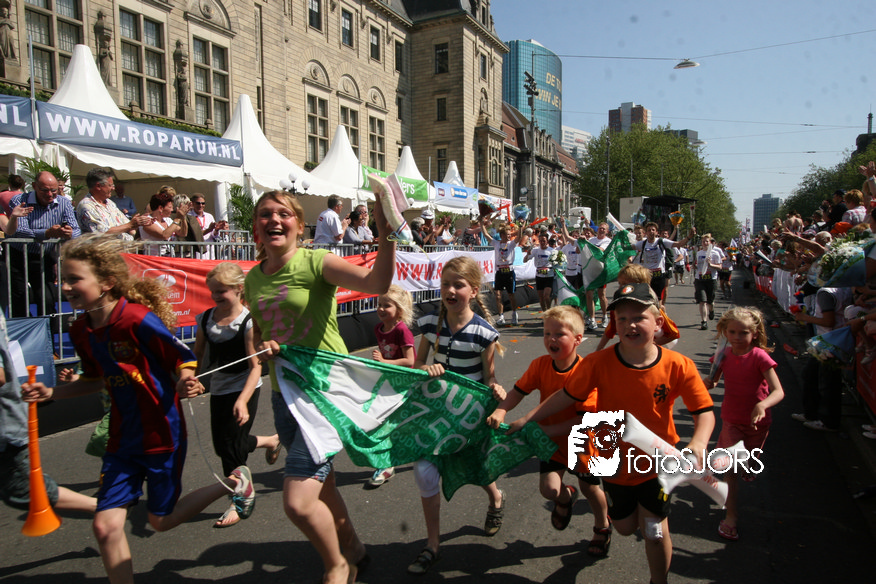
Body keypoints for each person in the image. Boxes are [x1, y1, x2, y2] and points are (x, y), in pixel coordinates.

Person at [21, 234, 256, 584]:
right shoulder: (81, 330)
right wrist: (51, 392)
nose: (65, 287)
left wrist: (186, 379)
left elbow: (183, 356)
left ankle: (233, 482)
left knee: (161, 520)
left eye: (74, 279)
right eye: (62, 279)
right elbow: (94, 380)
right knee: (105, 526)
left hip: (161, 434)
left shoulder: (135, 318)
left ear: (106, 282)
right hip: (121, 440)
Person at [508, 283, 715, 584]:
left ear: (658, 322)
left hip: (657, 464)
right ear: (614, 325)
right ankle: (620, 520)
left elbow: (704, 410)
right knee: (625, 527)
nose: (630, 325)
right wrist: (526, 419)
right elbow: (566, 395)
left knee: (655, 531)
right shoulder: (597, 363)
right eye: (622, 319)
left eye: (639, 317)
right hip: (613, 463)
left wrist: (698, 442)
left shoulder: (679, 365)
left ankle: (658, 580)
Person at [244, 190, 395, 584]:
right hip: (284, 398)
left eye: (283, 214)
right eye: (265, 214)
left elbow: (377, 282)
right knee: (323, 487)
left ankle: (338, 566)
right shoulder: (253, 278)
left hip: (323, 396)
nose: (274, 220)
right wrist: (263, 345)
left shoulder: (317, 262)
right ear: (256, 227)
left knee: (297, 501)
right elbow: (259, 331)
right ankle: (355, 550)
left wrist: (387, 234)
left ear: (299, 224)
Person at [409, 255, 507, 575]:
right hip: (435, 414)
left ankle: (495, 499)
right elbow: (417, 365)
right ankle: (433, 545)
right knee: (425, 473)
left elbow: (489, 378)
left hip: (468, 417)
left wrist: (496, 389)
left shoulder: (484, 333)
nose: (450, 290)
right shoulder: (429, 324)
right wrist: (426, 369)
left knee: (477, 467)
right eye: (445, 284)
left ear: (474, 291)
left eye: (458, 285)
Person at [487, 306, 611, 554]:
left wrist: (544, 430)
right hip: (552, 443)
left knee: (590, 488)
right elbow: (518, 392)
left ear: (578, 339)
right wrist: (501, 411)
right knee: (549, 490)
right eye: (546, 334)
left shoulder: (586, 372)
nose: (551, 339)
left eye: (559, 334)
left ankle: (602, 525)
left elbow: (583, 421)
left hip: (583, 443)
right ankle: (566, 498)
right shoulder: (540, 365)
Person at [194, 262, 282, 528]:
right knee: (223, 444)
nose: (216, 296)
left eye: (222, 291)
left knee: (232, 447)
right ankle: (270, 441)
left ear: (238, 289)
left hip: (245, 386)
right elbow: (198, 354)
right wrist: (191, 378)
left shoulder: (247, 322)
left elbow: (256, 367)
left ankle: (240, 496)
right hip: (220, 386)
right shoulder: (206, 318)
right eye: (213, 291)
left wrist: (243, 400)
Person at [1, 311, 97, 515]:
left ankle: (107, 505)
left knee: (23, 488)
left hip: (134, 418)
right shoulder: (82, 332)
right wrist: (61, 387)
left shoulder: (131, 324)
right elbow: (94, 379)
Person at [704, 307, 784, 541]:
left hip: (757, 423)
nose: (737, 337)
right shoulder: (723, 354)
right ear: (725, 332)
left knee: (747, 460)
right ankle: (731, 517)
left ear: (755, 333)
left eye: (744, 333)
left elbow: (778, 391)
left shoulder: (759, 357)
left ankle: (749, 463)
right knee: (730, 470)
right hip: (731, 419)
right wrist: (705, 383)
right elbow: (713, 381)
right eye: (732, 332)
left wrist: (762, 405)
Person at [7, 171, 80, 318]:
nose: (50, 194)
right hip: (18, 256)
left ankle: (48, 330)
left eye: (54, 190)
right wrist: (46, 233)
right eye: (45, 190)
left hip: (44, 257)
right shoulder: (19, 200)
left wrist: (69, 233)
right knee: (19, 300)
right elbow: (20, 231)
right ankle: (24, 330)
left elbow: (77, 230)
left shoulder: (64, 203)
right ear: (34, 186)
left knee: (47, 299)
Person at [367, 284, 416, 489]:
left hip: (404, 384)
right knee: (382, 422)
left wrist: (384, 362)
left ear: (399, 311)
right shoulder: (378, 329)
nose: (380, 309)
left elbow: (410, 361)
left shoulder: (402, 330)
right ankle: (386, 464)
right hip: (388, 382)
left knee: (400, 423)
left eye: (386, 305)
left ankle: (425, 450)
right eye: (379, 304)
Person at [791, 285, 853, 431]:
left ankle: (829, 422)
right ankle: (811, 414)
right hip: (831, 341)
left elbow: (829, 321)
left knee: (828, 383)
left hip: (830, 343)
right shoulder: (844, 289)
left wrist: (805, 317)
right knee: (810, 375)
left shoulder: (825, 292)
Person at [595, 264, 680, 351]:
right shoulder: (617, 307)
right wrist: (598, 350)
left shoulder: (650, 308)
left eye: (625, 284)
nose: (621, 287)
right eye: (620, 283)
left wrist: (649, 344)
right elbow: (610, 331)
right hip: (626, 353)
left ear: (640, 284)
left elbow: (673, 334)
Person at [77, 168, 151, 241]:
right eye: (110, 185)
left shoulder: (110, 203)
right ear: (98, 186)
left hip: (123, 246)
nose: (113, 188)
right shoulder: (87, 206)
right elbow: (102, 234)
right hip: (105, 248)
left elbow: (126, 224)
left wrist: (140, 221)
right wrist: (130, 225)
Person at [632, 222, 694, 307]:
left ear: (656, 232)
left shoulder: (662, 241)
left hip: (659, 276)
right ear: (646, 233)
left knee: (658, 301)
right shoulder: (642, 243)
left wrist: (689, 237)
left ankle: (660, 312)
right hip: (647, 276)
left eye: (653, 230)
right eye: (649, 230)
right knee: (647, 299)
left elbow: (679, 244)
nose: (651, 232)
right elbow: (628, 247)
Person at [482, 219, 519, 325]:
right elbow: (486, 234)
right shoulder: (496, 243)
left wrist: (521, 227)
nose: (509, 236)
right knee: (498, 295)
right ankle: (501, 317)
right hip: (499, 272)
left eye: (510, 234)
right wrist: (481, 224)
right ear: (502, 235)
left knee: (511, 295)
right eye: (507, 234)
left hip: (509, 272)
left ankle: (514, 313)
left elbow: (519, 237)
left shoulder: (511, 244)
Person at [139, 189, 187, 256]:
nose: (172, 210)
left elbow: (183, 233)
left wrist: (183, 217)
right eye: (170, 207)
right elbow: (164, 235)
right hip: (154, 259)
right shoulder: (147, 221)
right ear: (160, 208)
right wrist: (177, 219)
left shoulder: (168, 220)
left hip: (169, 258)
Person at [693, 234, 724, 330]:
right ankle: (704, 321)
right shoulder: (699, 253)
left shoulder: (715, 253)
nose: (705, 243)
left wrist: (711, 264)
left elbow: (720, 267)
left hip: (711, 279)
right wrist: (694, 266)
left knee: (710, 301)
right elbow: (697, 265)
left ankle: (711, 310)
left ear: (710, 242)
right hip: (700, 279)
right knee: (702, 301)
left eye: (707, 241)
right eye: (703, 241)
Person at [188, 193, 228, 259]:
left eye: (203, 203)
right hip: (196, 252)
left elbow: (213, 235)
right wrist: (209, 229)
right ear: (193, 204)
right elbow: (193, 235)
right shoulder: (189, 216)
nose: (200, 205)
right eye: (198, 203)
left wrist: (216, 230)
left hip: (209, 251)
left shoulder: (209, 216)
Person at [526, 231, 554, 313]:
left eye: (544, 241)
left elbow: (557, 262)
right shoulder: (535, 250)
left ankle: (549, 311)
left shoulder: (552, 250)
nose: (542, 243)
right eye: (540, 241)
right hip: (539, 276)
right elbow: (525, 260)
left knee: (546, 296)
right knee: (541, 298)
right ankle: (545, 313)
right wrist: (527, 254)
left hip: (549, 275)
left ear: (547, 241)